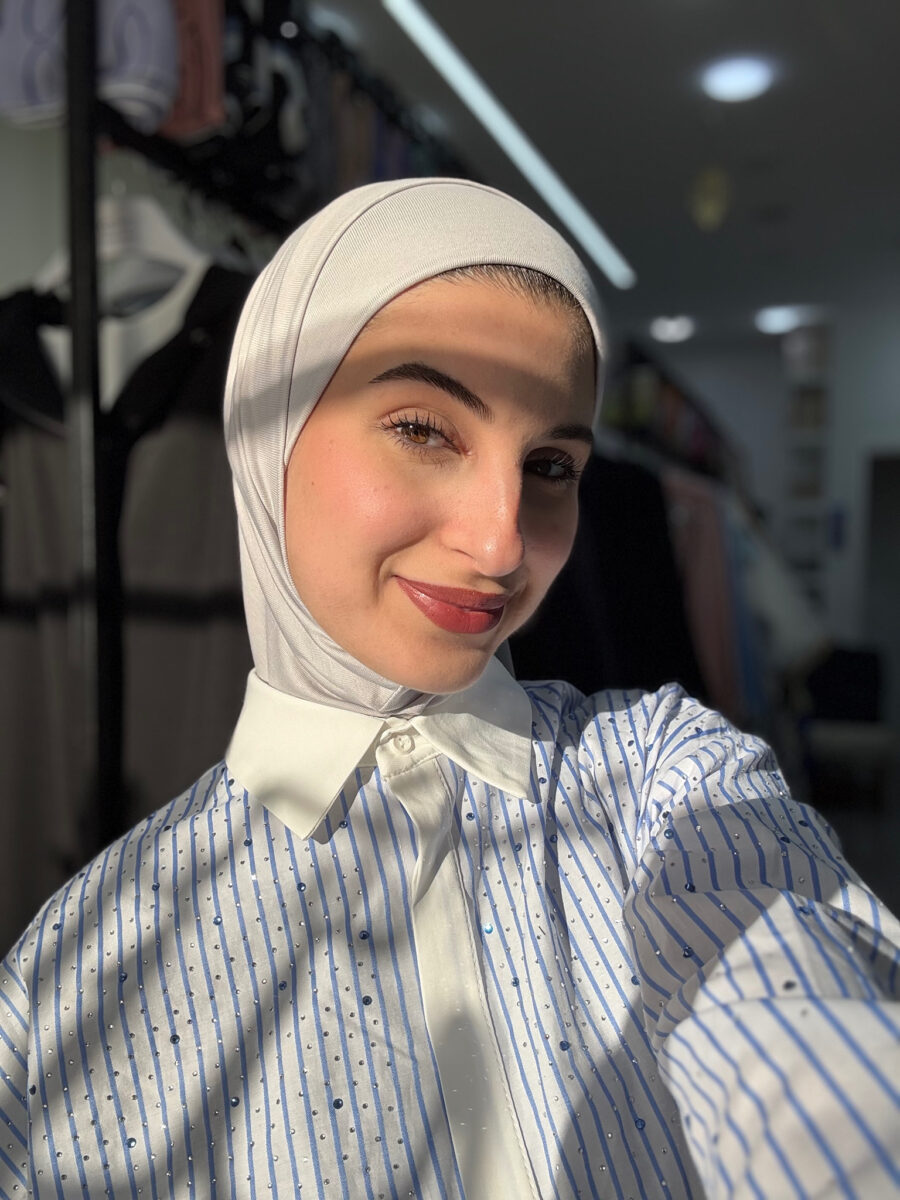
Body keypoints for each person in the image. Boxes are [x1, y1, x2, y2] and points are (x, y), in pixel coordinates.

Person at [1, 178, 897, 1200]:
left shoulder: (664, 776)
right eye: (425, 429)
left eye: (550, 466)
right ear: (268, 433)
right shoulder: (76, 969)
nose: (502, 542)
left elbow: (800, 1024)